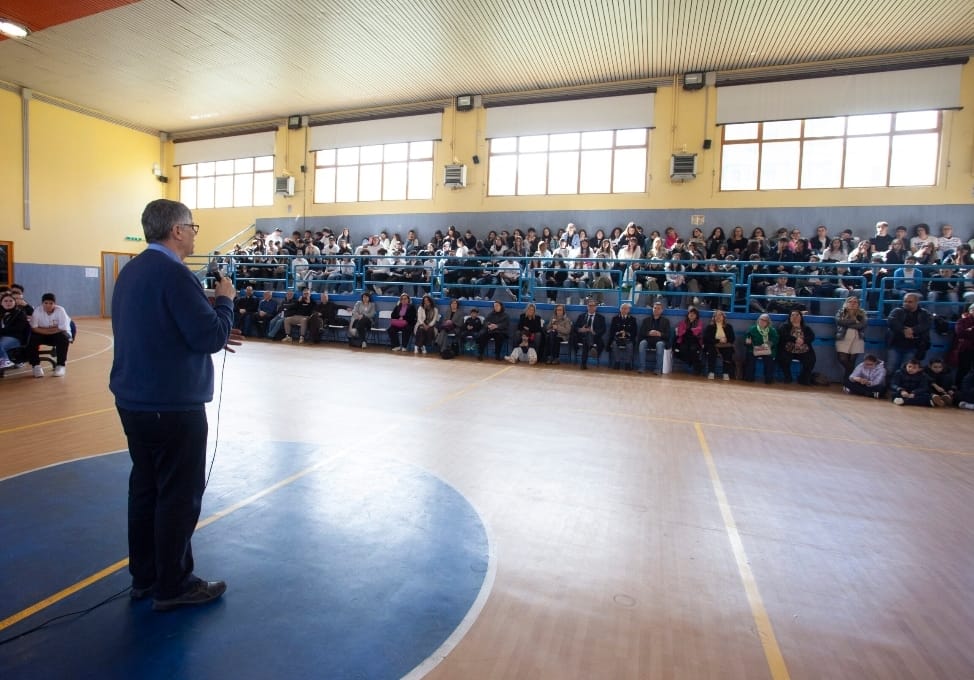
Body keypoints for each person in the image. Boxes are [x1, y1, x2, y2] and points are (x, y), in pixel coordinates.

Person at [110, 199, 242, 611]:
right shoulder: (176, 274)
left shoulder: (131, 271)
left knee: (145, 489)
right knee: (178, 496)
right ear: (177, 230)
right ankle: (174, 584)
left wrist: (210, 320)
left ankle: (145, 577)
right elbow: (209, 338)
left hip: (134, 401)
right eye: (192, 226)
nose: (195, 233)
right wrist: (224, 302)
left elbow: (162, 325)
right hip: (171, 404)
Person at [27, 293, 73, 377]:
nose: (48, 305)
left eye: (51, 303)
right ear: (42, 303)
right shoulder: (37, 311)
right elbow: (34, 328)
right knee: (32, 339)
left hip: (56, 335)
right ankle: (36, 366)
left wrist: (43, 329)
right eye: (46, 303)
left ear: (55, 304)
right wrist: (51, 330)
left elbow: (62, 328)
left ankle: (60, 365)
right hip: (42, 335)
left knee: (63, 338)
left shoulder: (60, 310)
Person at [886, 293, 931, 374]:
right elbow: (891, 321)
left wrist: (913, 330)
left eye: (910, 302)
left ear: (917, 302)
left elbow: (926, 324)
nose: (906, 303)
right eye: (905, 301)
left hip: (913, 347)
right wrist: (904, 330)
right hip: (896, 345)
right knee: (890, 368)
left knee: (906, 370)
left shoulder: (924, 313)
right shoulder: (897, 311)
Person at [777, 309, 816, 385]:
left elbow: (811, 337)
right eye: (792, 315)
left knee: (811, 359)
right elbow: (783, 335)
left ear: (801, 317)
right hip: (788, 349)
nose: (795, 317)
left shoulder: (806, 328)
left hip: (803, 350)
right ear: (789, 317)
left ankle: (803, 379)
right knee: (782, 358)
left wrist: (803, 341)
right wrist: (795, 340)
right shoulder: (784, 326)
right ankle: (788, 377)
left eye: (797, 315)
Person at [834, 296, 868, 379]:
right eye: (850, 302)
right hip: (843, 337)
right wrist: (854, 321)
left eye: (855, 302)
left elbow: (862, 325)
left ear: (858, 304)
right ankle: (854, 376)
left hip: (857, 338)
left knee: (852, 361)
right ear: (846, 303)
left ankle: (847, 382)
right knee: (842, 359)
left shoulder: (862, 313)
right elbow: (840, 322)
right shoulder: (841, 312)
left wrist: (848, 323)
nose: (852, 303)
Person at [637, 300, 671, 375]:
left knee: (659, 344)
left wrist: (660, 334)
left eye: (658, 308)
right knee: (642, 343)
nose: (656, 310)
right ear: (652, 309)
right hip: (648, 339)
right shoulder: (646, 320)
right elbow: (641, 333)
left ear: (662, 310)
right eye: (655, 308)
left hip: (660, 340)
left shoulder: (666, 321)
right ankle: (642, 367)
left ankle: (658, 369)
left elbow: (668, 335)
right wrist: (649, 333)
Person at [743, 314, 778, 384]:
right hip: (754, 349)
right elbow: (746, 338)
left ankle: (769, 379)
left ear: (768, 322)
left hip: (767, 349)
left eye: (765, 320)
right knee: (750, 359)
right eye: (761, 319)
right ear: (758, 320)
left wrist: (768, 344)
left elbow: (775, 339)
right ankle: (749, 378)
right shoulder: (752, 329)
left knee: (769, 361)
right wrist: (747, 341)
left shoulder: (772, 330)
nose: (762, 321)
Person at [572, 298, 606, 370]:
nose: (591, 307)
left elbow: (603, 329)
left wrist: (594, 332)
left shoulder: (601, 317)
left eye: (593, 306)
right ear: (587, 307)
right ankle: (591, 348)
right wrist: (581, 329)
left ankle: (583, 364)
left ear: (596, 307)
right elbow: (575, 327)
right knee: (586, 337)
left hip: (595, 337)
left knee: (587, 340)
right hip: (582, 336)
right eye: (590, 306)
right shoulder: (581, 316)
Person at [0, 291, 30, 369]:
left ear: (14, 302)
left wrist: (2, 331)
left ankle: (5, 360)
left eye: (11, 301)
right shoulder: (1, 314)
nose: (8, 303)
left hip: (15, 338)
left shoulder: (20, 313)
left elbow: (18, 329)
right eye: (5, 301)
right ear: (1, 303)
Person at [703, 309, 736, 380]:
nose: (718, 317)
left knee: (728, 351)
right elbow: (706, 338)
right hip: (714, 345)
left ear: (723, 317)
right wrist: (718, 340)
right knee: (711, 351)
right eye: (716, 315)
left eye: (720, 315)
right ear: (714, 318)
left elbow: (732, 338)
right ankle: (711, 372)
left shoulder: (729, 326)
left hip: (725, 345)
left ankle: (725, 373)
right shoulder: (710, 327)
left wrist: (726, 340)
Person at [673, 306, 704, 375]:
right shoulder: (682, 322)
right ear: (688, 314)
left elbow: (698, 330)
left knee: (693, 350)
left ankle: (696, 368)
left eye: (694, 313)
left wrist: (689, 330)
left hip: (695, 341)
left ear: (696, 315)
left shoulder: (699, 322)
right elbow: (680, 333)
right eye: (690, 313)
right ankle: (693, 363)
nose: (692, 314)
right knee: (682, 349)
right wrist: (688, 331)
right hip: (684, 341)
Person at [608, 302, 637, 370]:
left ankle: (628, 363)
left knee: (630, 345)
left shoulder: (632, 319)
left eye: (626, 308)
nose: (624, 310)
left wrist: (626, 333)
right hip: (617, 338)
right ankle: (617, 362)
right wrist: (618, 333)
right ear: (620, 309)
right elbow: (612, 331)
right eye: (622, 308)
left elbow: (634, 332)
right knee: (614, 344)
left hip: (628, 339)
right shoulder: (615, 318)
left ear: (628, 310)